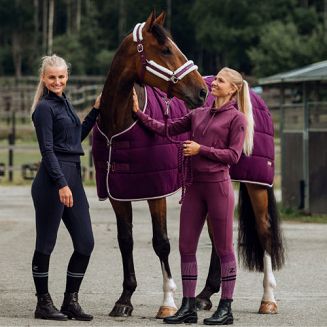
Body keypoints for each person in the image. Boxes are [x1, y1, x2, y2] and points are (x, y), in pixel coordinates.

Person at [132, 67, 254, 325]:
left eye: (220, 80)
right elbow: (165, 129)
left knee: (224, 248)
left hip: (218, 187)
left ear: (232, 89)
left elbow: (233, 156)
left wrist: (201, 149)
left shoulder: (237, 120)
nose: (214, 82)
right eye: (217, 79)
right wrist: (137, 113)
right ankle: (188, 306)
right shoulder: (197, 114)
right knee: (186, 247)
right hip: (194, 188)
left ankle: (226, 308)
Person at [30, 54, 100, 321]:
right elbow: (47, 150)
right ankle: (43, 304)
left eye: (61, 77)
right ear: (44, 79)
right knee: (46, 244)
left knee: (85, 243)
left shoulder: (66, 103)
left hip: (73, 178)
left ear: (66, 77)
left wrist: (95, 111)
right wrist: (61, 183)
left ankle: (70, 301)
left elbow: (74, 140)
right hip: (52, 181)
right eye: (52, 77)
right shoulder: (44, 109)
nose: (57, 81)